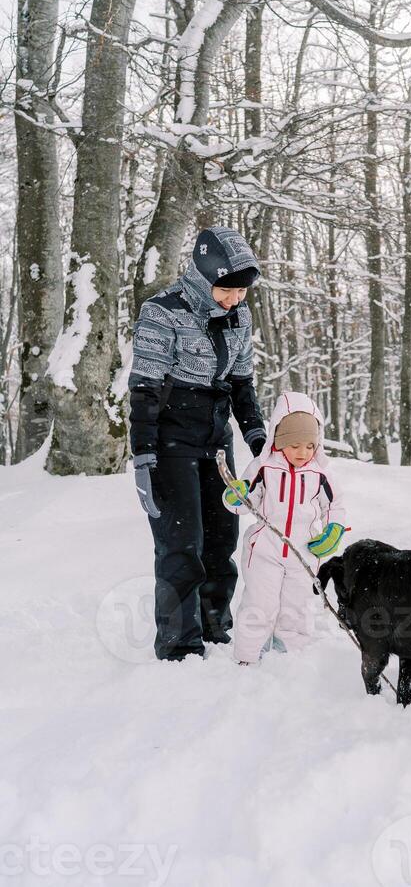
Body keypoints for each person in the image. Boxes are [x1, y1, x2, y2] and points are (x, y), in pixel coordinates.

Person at [128, 226, 267, 661]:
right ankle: (178, 644)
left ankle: (213, 626)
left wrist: (258, 438)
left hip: (216, 441)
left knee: (222, 540)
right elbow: (145, 388)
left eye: (242, 293)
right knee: (181, 544)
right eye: (227, 291)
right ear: (203, 277)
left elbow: (242, 382)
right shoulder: (162, 312)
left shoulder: (239, 316)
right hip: (171, 442)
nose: (235, 300)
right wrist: (143, 456)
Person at [222, 391, 347, 664]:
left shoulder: (321, 472)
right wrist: (236, 495)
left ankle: (289, 659)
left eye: (309, 446)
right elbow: (243, 504)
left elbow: (335, 506)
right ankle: (247, 657)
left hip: (303, 550)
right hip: (264, 548)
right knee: (260, 604)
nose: (303, 453)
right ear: (279, 441)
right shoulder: (263, 467)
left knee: (296, 606)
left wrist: (332, 532)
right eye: (295, 445)